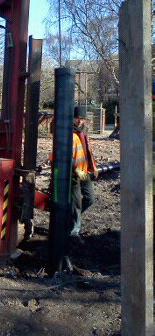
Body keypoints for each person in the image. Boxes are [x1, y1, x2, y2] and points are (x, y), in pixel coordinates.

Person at [70, 105, 98, 245]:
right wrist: (77, 171)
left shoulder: (83, 132)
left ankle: (71, 218)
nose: (80, 121)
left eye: (82, 119)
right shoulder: (69, 134)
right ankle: (74, 231)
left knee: (90, 199)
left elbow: (88, 152)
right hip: (74, 174)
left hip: (84, 172)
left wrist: (94, 168)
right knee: (77, 204)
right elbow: (67, 159)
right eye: (77, 118)